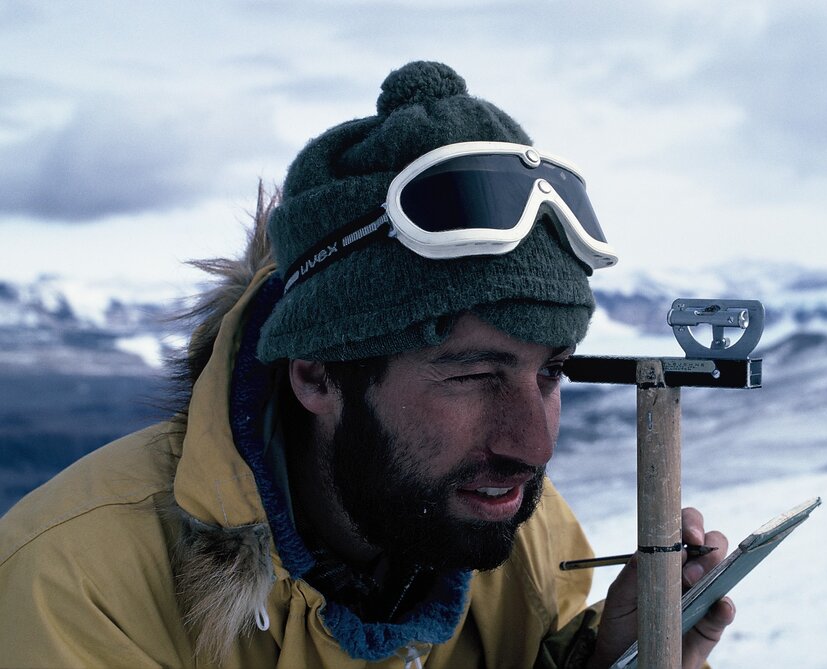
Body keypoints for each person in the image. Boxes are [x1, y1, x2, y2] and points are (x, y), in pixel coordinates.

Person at [0, 61, 734, 668]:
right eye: (474, 375)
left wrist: (610, 656)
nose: (532, 445)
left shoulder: (522, 540)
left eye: (548, 374)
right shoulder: (75, 586)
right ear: (317, 372)